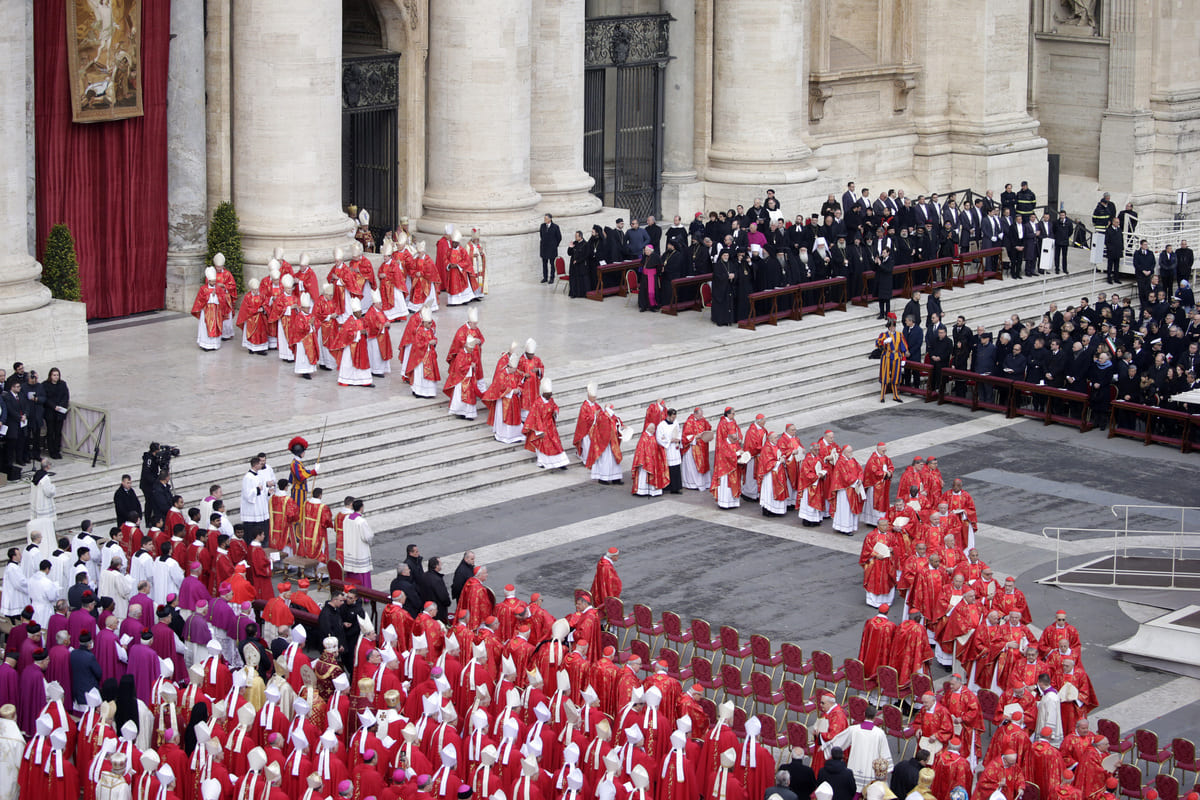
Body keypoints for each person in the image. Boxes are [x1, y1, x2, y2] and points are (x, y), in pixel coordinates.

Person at [191, 267, 233, 351]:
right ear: (208, 281)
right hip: (206, 311)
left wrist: (217, 295)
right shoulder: (203, 289)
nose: (214, 283)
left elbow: (222, 299)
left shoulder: (218, 288)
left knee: (216, 327)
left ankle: (214, 345)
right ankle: (205, 345)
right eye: (212, 281)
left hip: (216, 311)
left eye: (215, 281)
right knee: (205, 327)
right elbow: (200, 300)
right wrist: (210, 295)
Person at [342, 500, 375, 588]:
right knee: (362, 571)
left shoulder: (346, 518)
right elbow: (367, 537)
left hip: (349, 549)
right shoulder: (361, 521)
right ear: (361, 508)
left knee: (352, 573)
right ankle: (365, 595)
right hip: (359, 550)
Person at [876, 319, 908, 403]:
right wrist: (884, 342)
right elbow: (877, 343)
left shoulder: (899, 335)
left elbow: (903, 347)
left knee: (895, 376)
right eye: (891, 326)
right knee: (885, 376)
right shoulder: (884, 335)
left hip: (896, 356)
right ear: (888, 327)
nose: (893, 328)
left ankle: (895, 395)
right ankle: (882, 395)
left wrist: (904, 358)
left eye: (894, 326)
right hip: (887, 356)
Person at [540, 214, 562, 284]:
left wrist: (555, 245)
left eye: (546, 218)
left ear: (550, 219)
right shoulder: (542, 226)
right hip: (544, 248)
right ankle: (545, 277)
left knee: (552, 264)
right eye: (544, 218)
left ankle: (552, 278)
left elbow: (559, 237)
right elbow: (541, 235)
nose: (545, 220)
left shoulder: (555, 227)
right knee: (544, 264)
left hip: (552, 249)